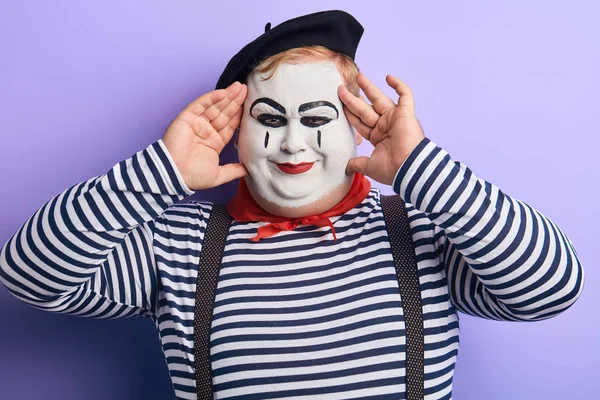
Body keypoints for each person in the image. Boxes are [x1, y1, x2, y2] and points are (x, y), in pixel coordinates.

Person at [0, 9, 584, 400]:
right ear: (237, 133)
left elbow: (551, 288)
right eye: (270, 119)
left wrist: (420, 168)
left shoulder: (420, 231)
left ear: (357, 128)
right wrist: (164, 171)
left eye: (316, 119)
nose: (293, 142)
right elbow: (28, 274)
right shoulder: (178, 245)